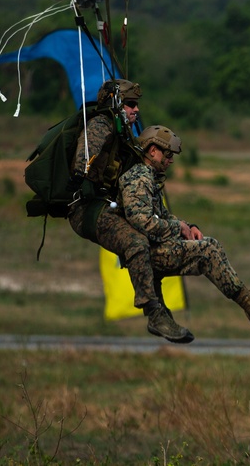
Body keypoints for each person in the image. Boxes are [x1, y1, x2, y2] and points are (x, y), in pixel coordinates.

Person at [119, 125, 250, 338]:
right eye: (167, 154)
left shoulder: (148, 177)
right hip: (145, 255)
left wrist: (188, 227)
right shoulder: (139, 178)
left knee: (211, 244)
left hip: (154, 248)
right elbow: (141, 221)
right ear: (152, 151)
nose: (170, 160)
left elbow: (161, 217)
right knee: (207, 250)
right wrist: (176, 228)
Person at [67, 79, 194, 343]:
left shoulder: (123, 134)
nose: (136, 111)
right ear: (115, 103)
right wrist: (83, 174)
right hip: (86, 209)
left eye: (136, 105)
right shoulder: (101, 126)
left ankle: (160, 311)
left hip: (107, 206)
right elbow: (84, 156)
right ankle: (153, 313)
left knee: (150, 235)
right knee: (135, 242)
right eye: (130, 105)